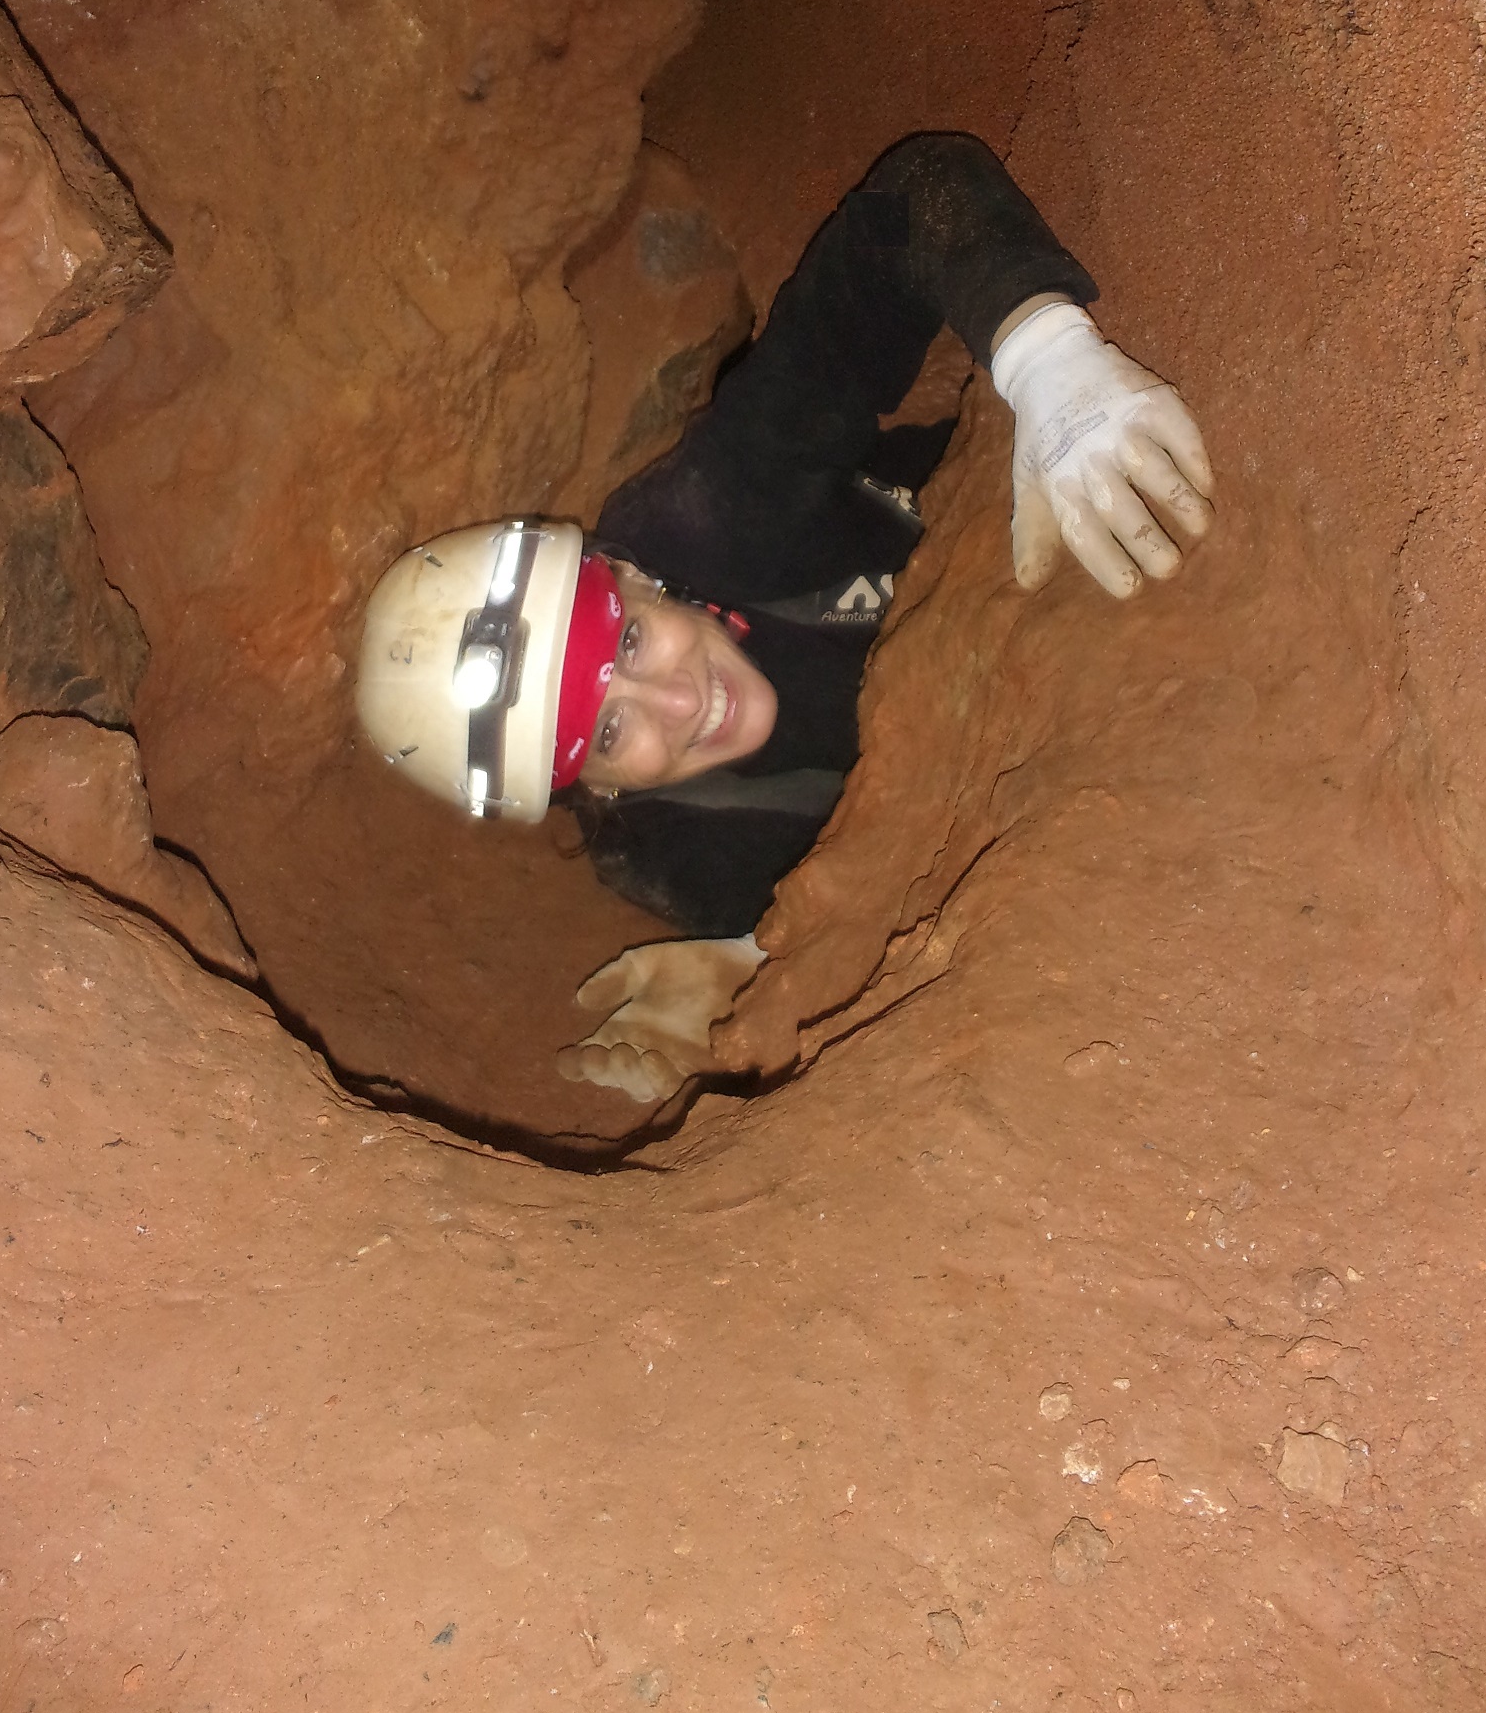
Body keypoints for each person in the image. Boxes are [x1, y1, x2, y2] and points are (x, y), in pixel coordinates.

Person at [357, 133, 1214, 1103]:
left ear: (633, 575)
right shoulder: (680, 849)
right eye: (610, 731)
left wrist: (1047, 359)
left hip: (1031, 521)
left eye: (629, 640)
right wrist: (760, 966)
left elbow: (911, 201)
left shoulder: (716, 511)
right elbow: (893, 900)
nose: (678, 700)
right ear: (594, 791)